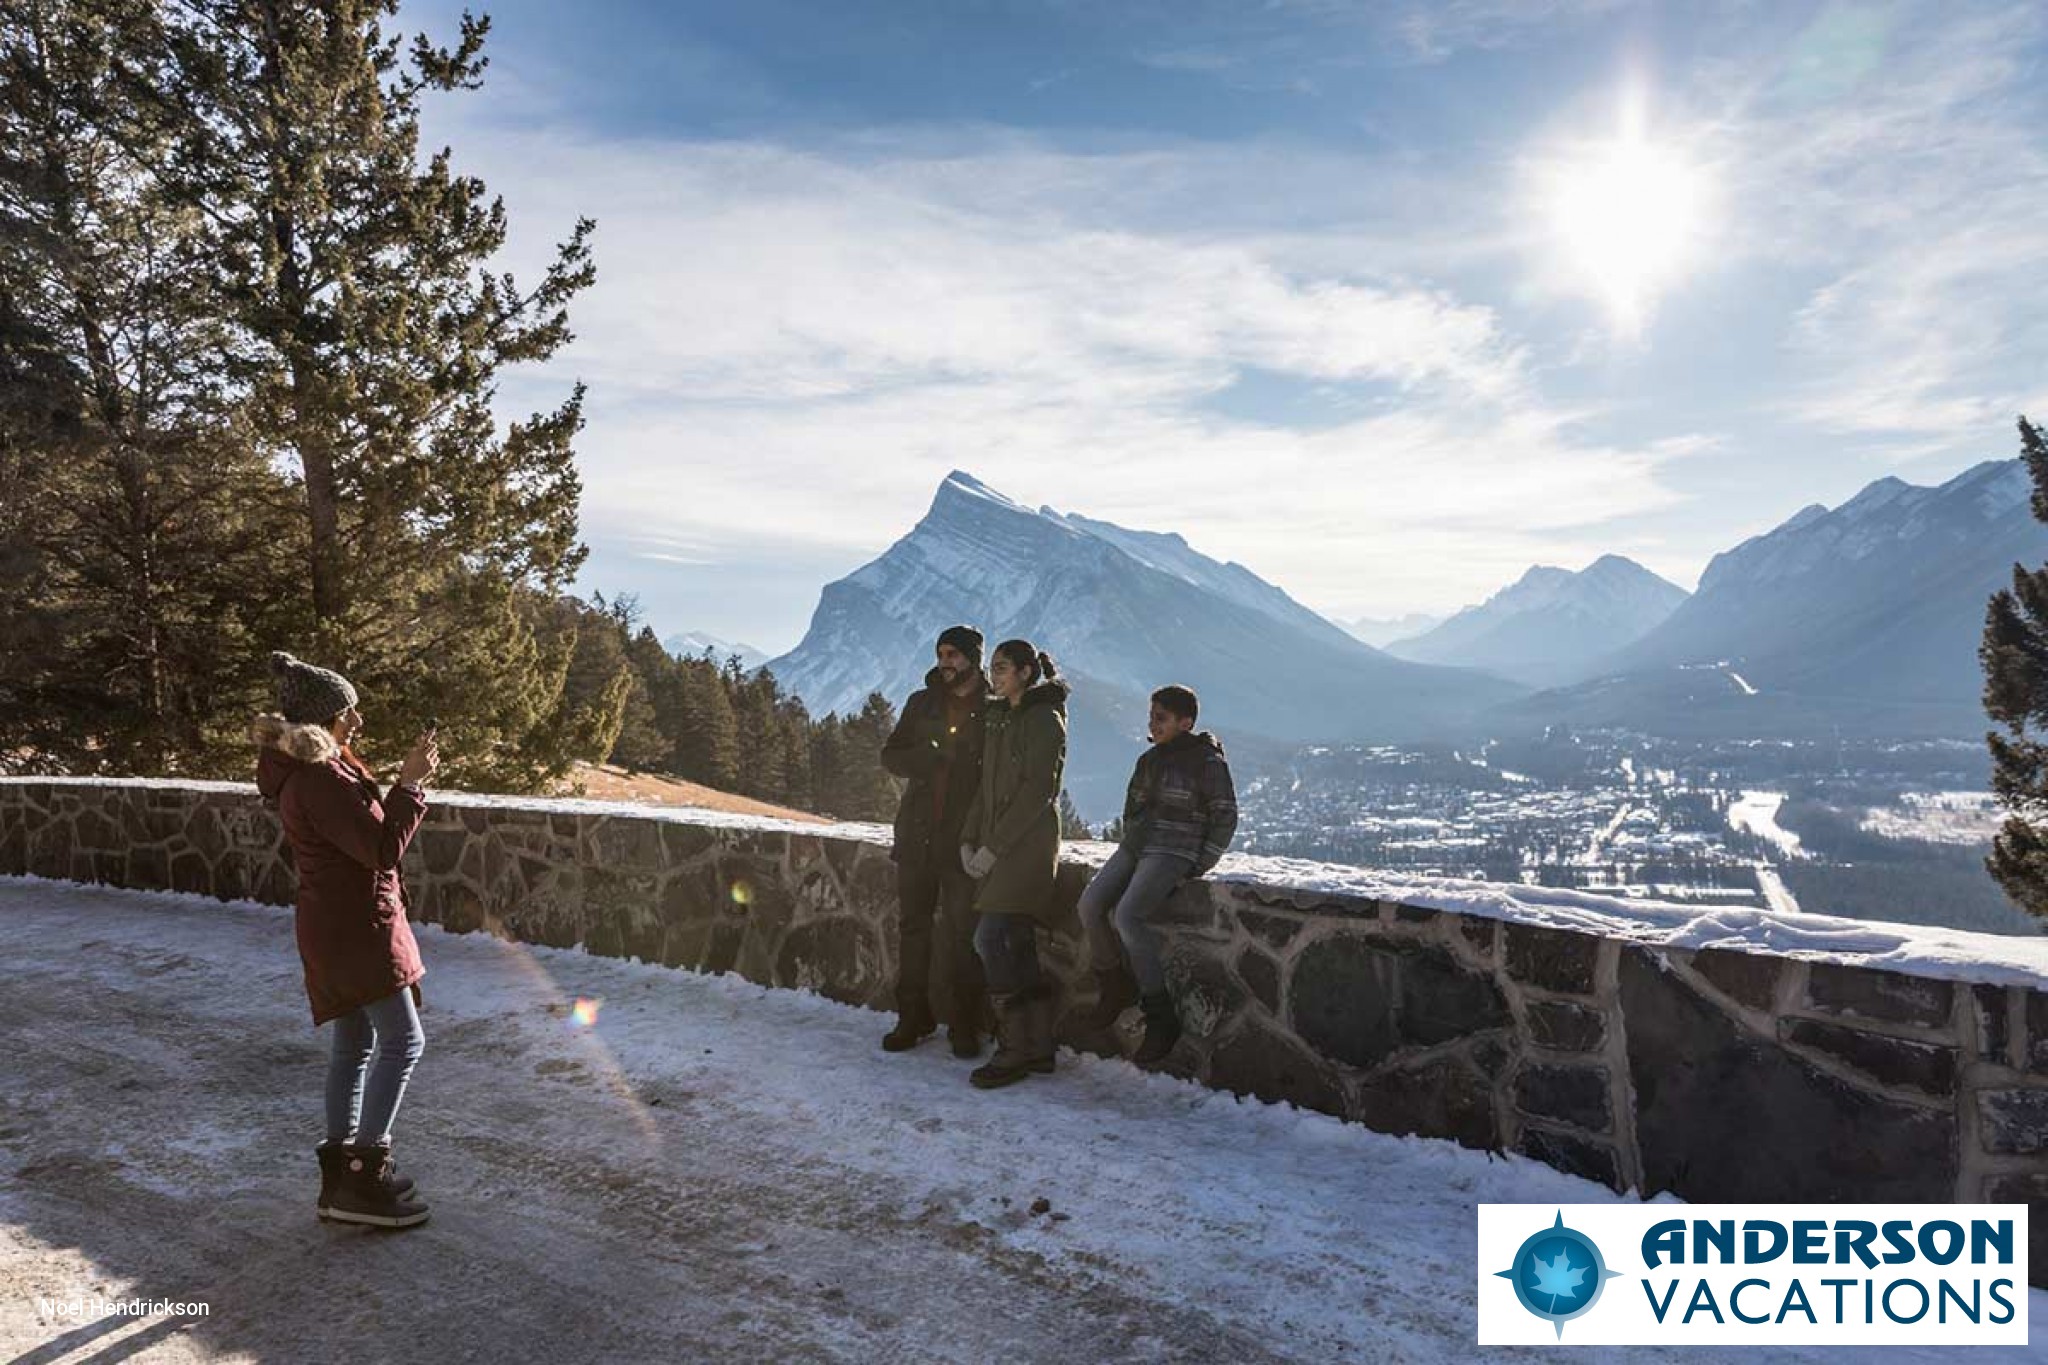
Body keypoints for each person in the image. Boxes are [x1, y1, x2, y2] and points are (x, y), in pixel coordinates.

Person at [252, 652, 439, 1229]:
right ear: (323, 719)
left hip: (335, 925)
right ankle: (365, 1175)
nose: (356, 721)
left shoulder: (311, 774)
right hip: (357, 928)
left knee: (355, 1046)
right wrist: (410, 784)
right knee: (404, 1043)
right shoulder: (319, 780)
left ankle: (341, 1180)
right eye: (347, 711)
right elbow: (381, 850)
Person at [1077, 683, 1238, 1065]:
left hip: (1174, 850)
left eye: (1161, 717)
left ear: (1186, 722)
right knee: (1089, 904)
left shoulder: (1207, 762)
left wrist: (1199, 864)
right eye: (1151, 716)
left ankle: (1160, 1014)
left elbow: (1225, 815)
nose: (1153, 723)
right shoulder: (1149, 760)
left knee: (1129, 916)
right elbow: (1132, 806)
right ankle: (1114, 981)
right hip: (1138, 846)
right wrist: (1134, 837)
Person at [958, 639, 1070, 1089]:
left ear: (1026, 672)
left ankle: (1014, 1049)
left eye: (1003, 668)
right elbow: (985, 787)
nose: (995, 676)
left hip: (1026, 849)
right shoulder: (1000, 716)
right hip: (996, 845)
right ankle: (1037, 1047)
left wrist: (994, 847)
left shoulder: (1046, 720)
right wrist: (969, 837)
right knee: (1017, 944)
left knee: (990, 939)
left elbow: (1037, 792)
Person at [877, 625, 993, 1057]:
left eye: (954, 655)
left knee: (963, 934)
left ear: (973, 659)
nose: (945, 662)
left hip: (964, 840)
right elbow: (890, 755)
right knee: (914, 930)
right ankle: (912, 1018)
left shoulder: (993, 708)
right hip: (917, 836)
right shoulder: (921, 702)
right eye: (941, 654)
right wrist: (925, 760)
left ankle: (964, 1025)